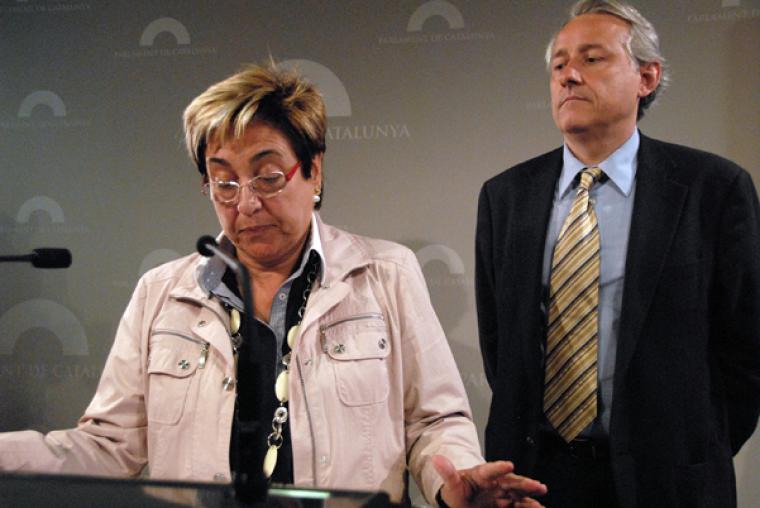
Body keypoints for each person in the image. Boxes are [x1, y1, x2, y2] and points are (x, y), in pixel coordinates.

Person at [0, 63, 546, 507]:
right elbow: (107, 445)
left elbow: (434, 422)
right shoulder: (161, 294)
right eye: (224, 181)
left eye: (266, 175)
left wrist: (455, 479)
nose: (246, 203)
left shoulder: (386, 273)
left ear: (314, 172)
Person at [475, 1, 760, 507]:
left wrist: (696, 449)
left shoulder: (713, 188)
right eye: (559, 64)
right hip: (537, 481)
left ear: (646, 77)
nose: (569, 76)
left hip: (670, 483)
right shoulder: (506, 197)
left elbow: (746, 350)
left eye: (592, 59)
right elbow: (502, 348)